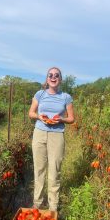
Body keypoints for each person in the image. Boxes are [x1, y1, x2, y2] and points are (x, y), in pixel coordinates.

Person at [28, 67, 75, 211]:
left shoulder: (66, 97)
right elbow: (31, 113)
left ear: (60, 79)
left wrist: (61, 119)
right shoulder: (40, 94)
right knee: (39, 169)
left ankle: (53, 206)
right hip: (39, 133)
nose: (53, 77)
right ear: (47, 79)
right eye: (50, 75)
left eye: (56, 75)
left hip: (57, 135)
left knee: (55, 170)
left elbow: (71, 118)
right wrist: (39, 116)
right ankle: (37, 202)